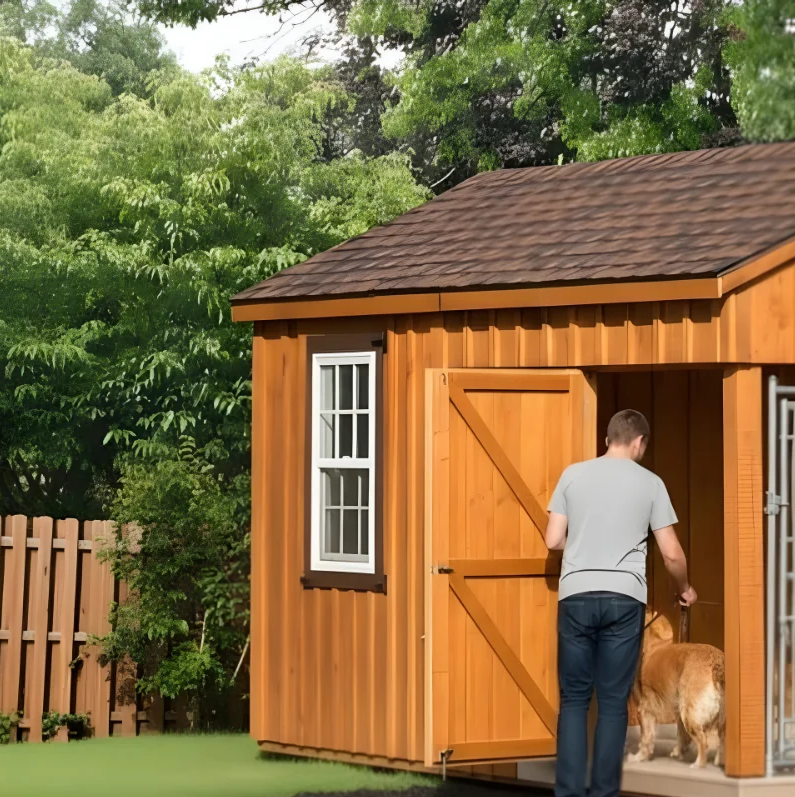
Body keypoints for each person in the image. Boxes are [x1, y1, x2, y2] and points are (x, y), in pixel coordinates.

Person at [545, 409, 697, 797]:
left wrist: (582, 544)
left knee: (575, 700)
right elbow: (672, 554)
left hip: (576, 595)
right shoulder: (651, 483)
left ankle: (568, 792)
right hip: (624, 599)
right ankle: (604, 793)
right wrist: (684, 588)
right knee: (613, 702)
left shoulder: (572, 474)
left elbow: (552, 540)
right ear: (640, 442)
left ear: (607, 439)